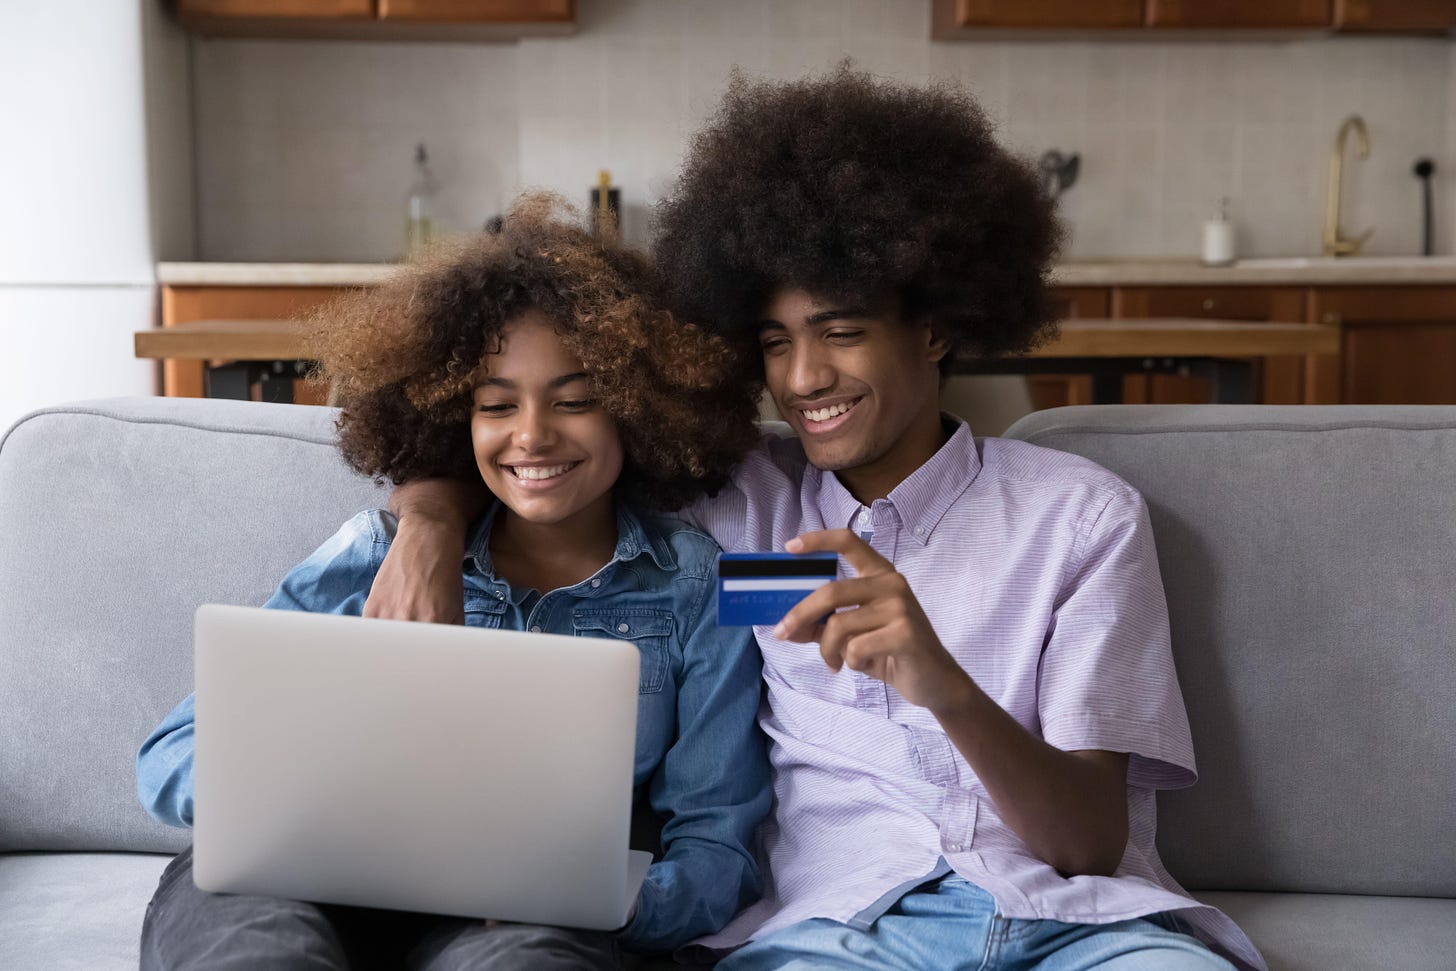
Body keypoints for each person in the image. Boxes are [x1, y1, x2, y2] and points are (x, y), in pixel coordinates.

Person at [370, 69, 1266, 971]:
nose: (801, 379)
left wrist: (945, 685)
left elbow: (1087, 843)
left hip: (1079, 929)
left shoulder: (1079, 518)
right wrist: (429, 520)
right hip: (838, 938)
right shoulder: (732, 503)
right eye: (773, 341)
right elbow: (535, 453)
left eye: (840, 333)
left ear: (937, 327)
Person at [134, 194, 773, 971]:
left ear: (635, 410)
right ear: (452, 418)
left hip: (514, 919)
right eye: (496, 405)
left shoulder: (695, 586)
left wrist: (623, 901)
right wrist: (281, 799)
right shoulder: (376, 551)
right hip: (304, 884)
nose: (533, 433)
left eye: (574, 400)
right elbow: (169, 754)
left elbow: (718, 842)